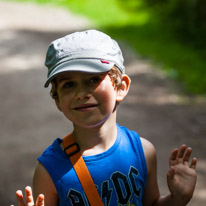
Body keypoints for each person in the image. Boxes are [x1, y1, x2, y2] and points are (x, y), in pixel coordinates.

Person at [14, 30, 197, 206]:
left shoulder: (143, 152)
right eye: (69, 84)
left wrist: (178, 199)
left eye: (93, 79)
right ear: (58, 100)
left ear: (121, 87)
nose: (81, 93)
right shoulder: (49, 170)